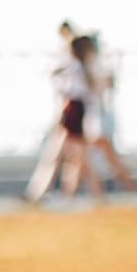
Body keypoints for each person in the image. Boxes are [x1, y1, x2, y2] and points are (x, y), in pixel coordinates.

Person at [23, 27, 92, 206]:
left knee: (66, 155)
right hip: (76, 109)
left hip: (73, 109)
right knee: (74, 155)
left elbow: (55, 73)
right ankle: (64, 194)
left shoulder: (74, 66)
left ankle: (45, 193)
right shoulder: (83, 66)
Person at [71, 34, 137, 199]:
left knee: (85, 158)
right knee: (83, 158)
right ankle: (94, 194)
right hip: (96, 118)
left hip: (92, 119)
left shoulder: (85, 69)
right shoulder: (92, 67)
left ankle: (126, 191)